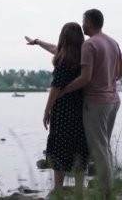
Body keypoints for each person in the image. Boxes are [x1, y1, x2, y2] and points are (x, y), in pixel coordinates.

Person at [26, 9, 122, 199]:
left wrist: (51, 105)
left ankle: (101, 192)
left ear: (89, 21)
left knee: (72, 147)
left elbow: (68, 83)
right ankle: (88, 189)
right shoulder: (104, 44)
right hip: (99, 103)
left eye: (84, 20)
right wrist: (39, 42)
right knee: (90, 147)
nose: (83, 24)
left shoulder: (84, 49)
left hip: (81, 106)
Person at [26, 22, 89, 197]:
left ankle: (59, 189)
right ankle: (78, 191)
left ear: (64, 37)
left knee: (60, 145)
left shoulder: (63, 60)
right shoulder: (84, 57)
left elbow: (56, 87)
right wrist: (38, 42)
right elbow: (54, 48)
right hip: (80, 108)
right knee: (79, 146)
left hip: (63, 109)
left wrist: (47, 110)